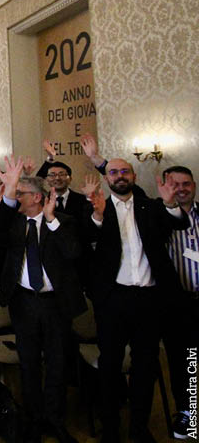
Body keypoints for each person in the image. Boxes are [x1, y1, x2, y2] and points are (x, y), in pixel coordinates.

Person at [82, 158, 188, 443]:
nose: (119, 176)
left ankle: (139, 430)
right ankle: (111, 431)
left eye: (124, 171)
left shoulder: (150, 206)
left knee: (145, 366)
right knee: (110, 367)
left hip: (149, 300)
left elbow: (179, 222)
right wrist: (99, 217)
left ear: (133, 175)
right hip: (113, 300)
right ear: (106, 178)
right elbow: (85, 240)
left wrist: (170, 204)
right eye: (113, 172)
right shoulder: (95, 207)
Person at [0, 158, 84, 443]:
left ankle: (55, 420)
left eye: (20, 193)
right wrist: (6, 195)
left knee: (56, 363)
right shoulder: (13, 223)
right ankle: (33, 419)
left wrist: (52, 219)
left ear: (36, 197)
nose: (16, 197)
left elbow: (73, 254)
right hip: (24, 302)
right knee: (29, 363)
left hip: (55, 303)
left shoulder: (63, 221)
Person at [158, 165, 198, 440]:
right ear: (164, 186)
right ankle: (187, 412)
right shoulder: (155, 217)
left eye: (186, 183)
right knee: (183, 359)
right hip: (177, 303)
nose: (181, 188)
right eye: (175, 184)